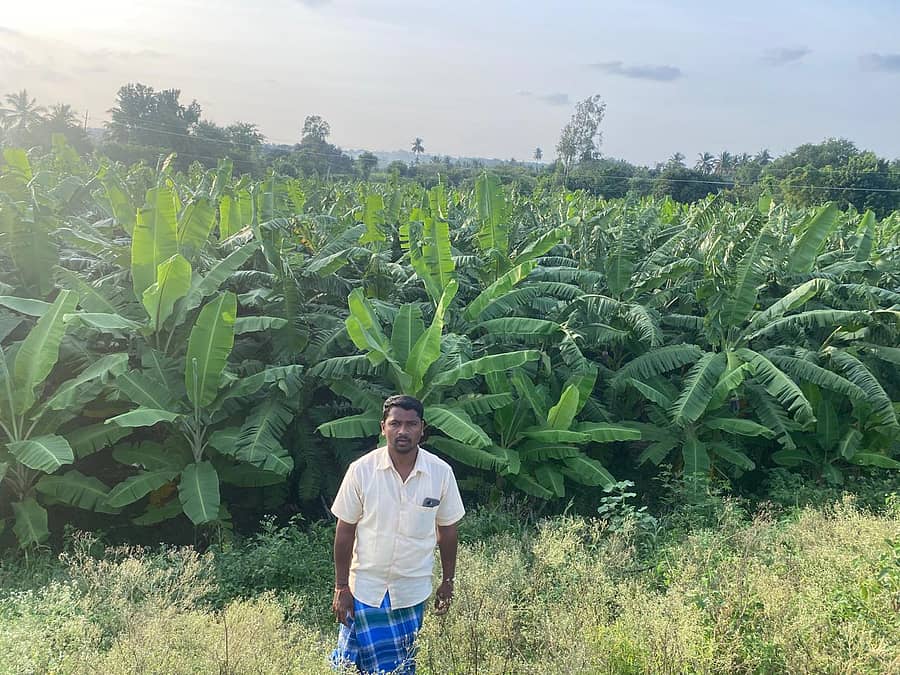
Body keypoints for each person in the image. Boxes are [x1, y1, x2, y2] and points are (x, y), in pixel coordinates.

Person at [330, 394, 465, 674]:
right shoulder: (361, 471)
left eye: (411, 424)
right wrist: (341, 586)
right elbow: (345, 530)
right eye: (395, 424)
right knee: (351, 667)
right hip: (365, 590)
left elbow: (448, 531)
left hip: (411, 591)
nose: (403, 431)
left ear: (422, 428)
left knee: (400, 667)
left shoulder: (440, 473)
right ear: (383, 427)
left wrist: (448, 581)